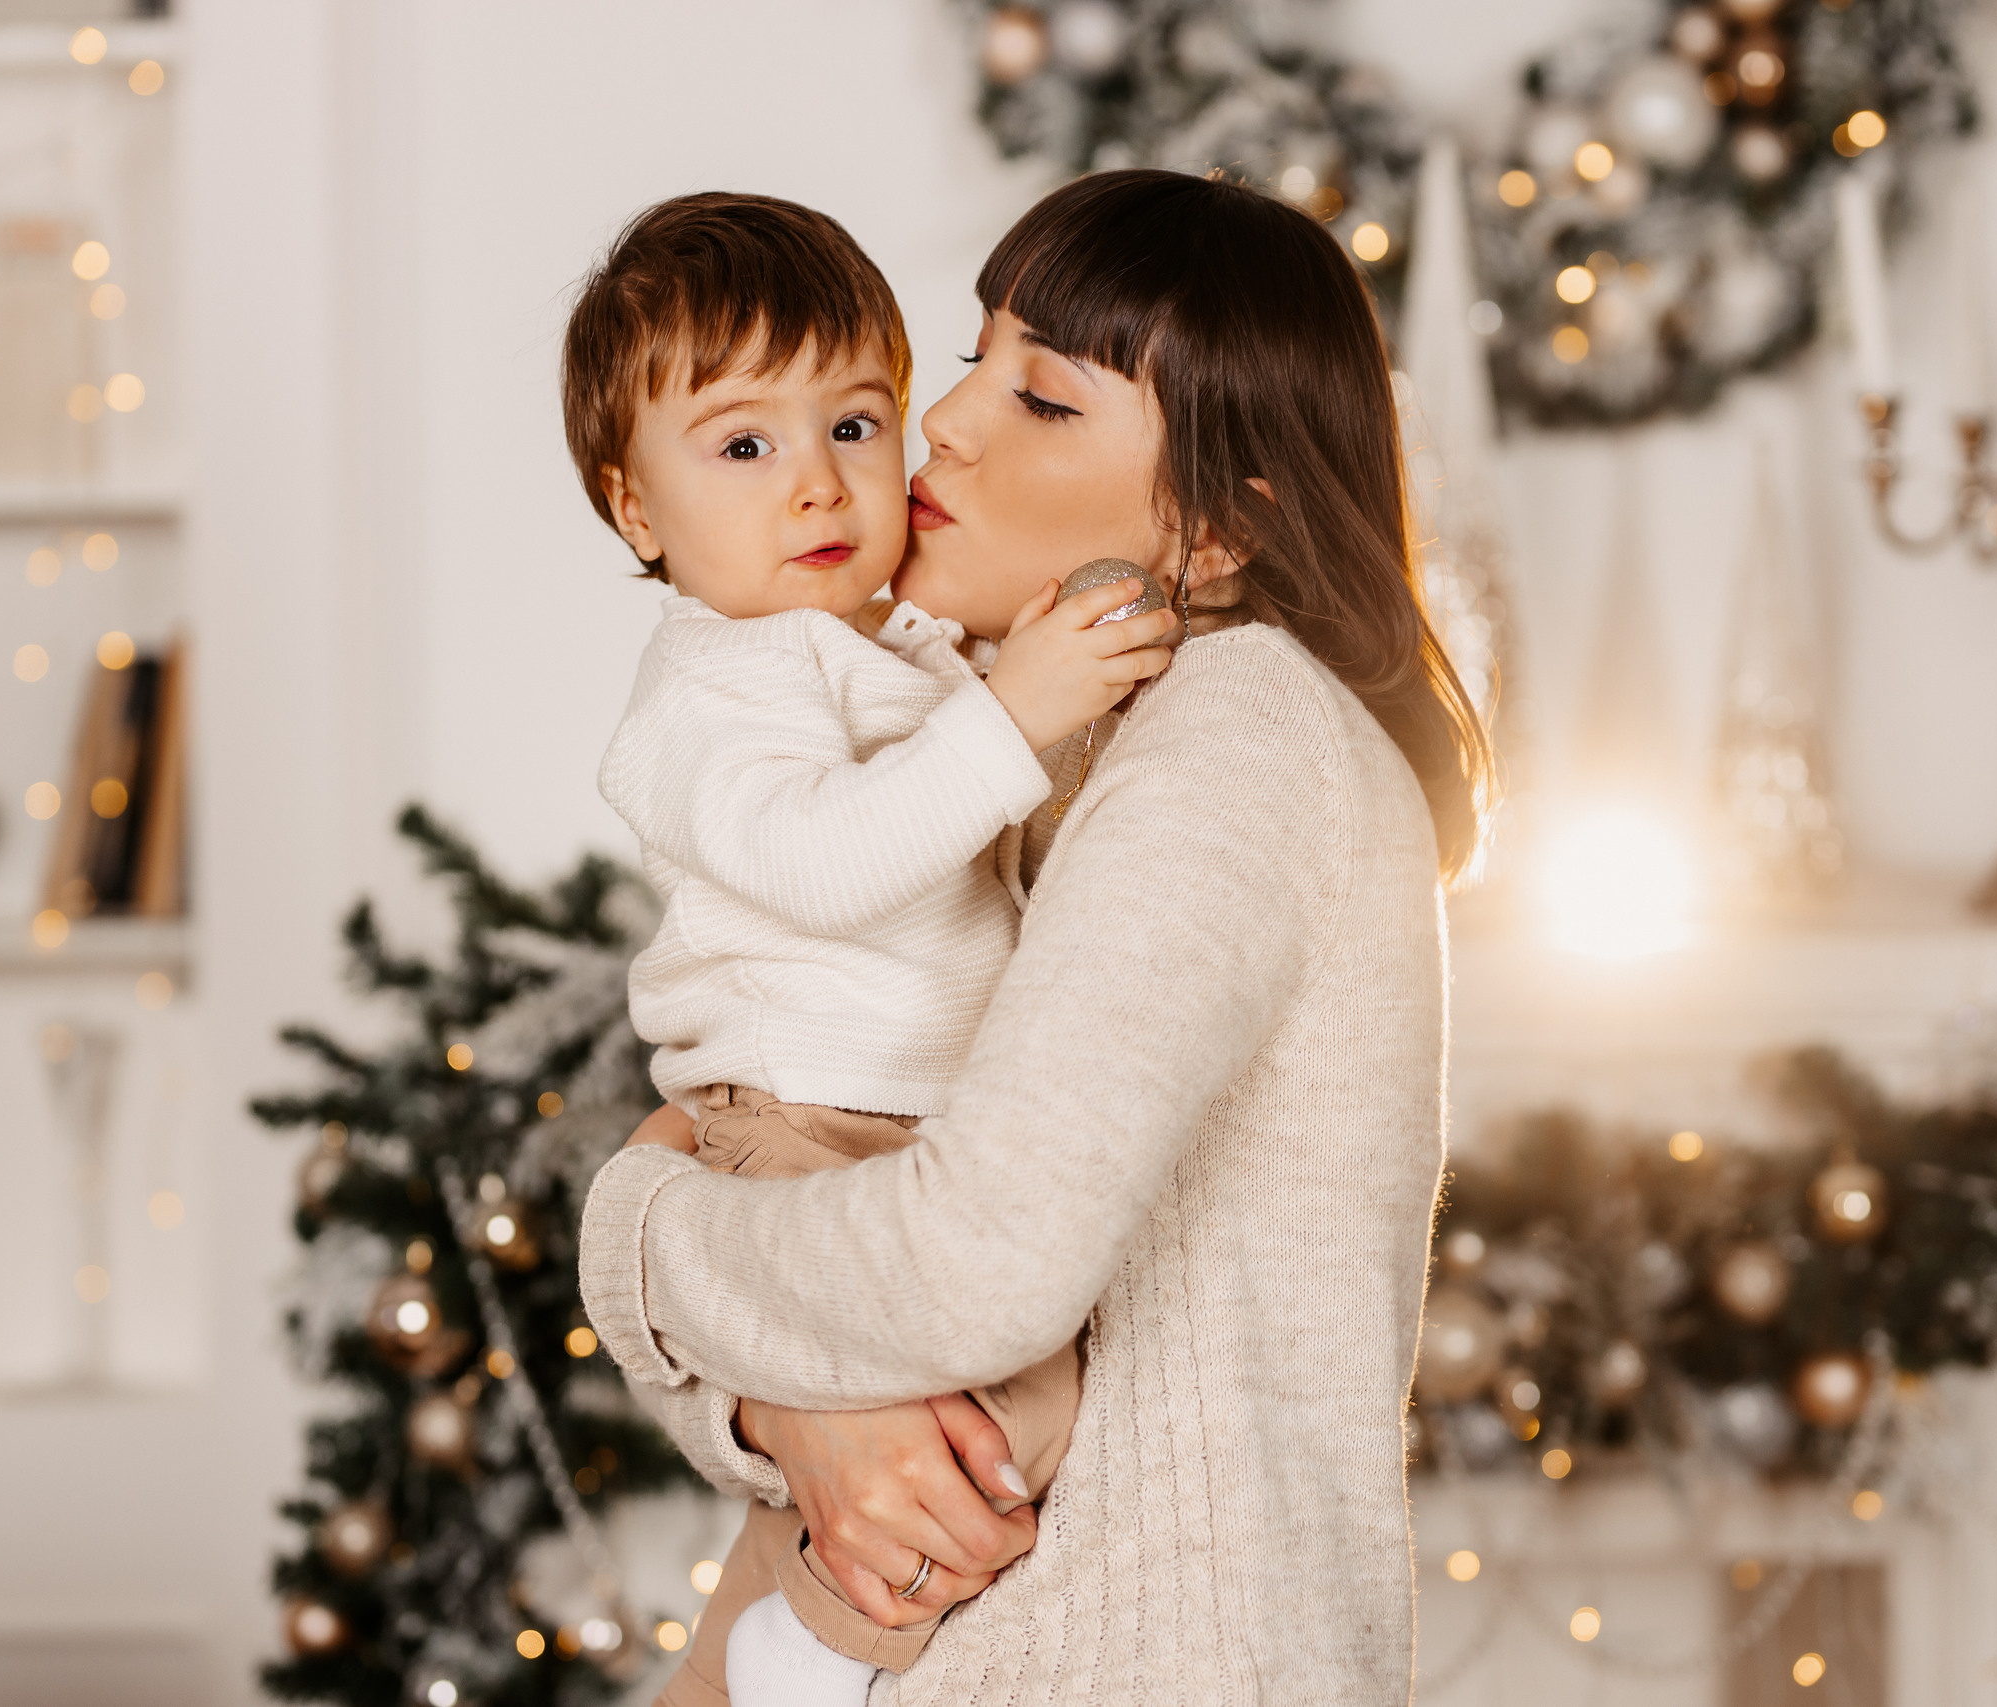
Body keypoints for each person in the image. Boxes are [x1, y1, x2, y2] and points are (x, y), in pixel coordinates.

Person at [580, 167, 1495, 1706]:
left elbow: (969, 1270)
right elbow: (877, 1288)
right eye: (974, 357)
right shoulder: (1033, 727)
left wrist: (644, 1251)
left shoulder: (1236, 738)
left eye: (1045, 400)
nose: (942, 424)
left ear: (1212, 528)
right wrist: (789, 1411)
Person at [560, 191, 1178, 1707]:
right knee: (989, 1415)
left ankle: (780, 1653)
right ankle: (811, 1650)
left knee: (983, 1415)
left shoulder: (889, 641)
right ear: (636, 509)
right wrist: (1017, 707)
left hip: (912, 1135)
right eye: (744, 446)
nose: (823, 486)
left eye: (857, 424)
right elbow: (834, 862)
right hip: (793, 1126)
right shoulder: (709, 695)